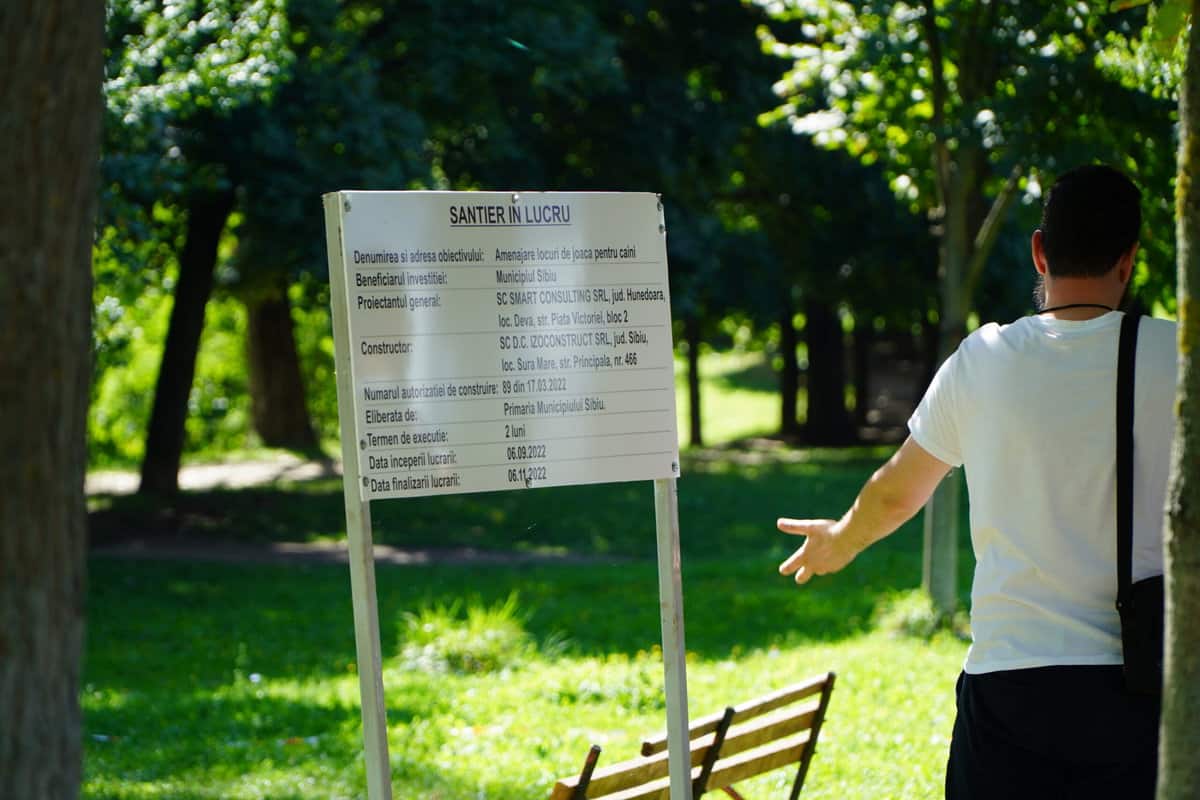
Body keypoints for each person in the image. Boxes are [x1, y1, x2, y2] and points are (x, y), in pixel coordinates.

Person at [776, 164, 1175, 799]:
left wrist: (841, 540)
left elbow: (896, 491)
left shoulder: (983, 359)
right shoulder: (1177, 359)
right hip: (1139, 685)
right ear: (1129, 261)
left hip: (1009, 686)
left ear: (1040, 251)